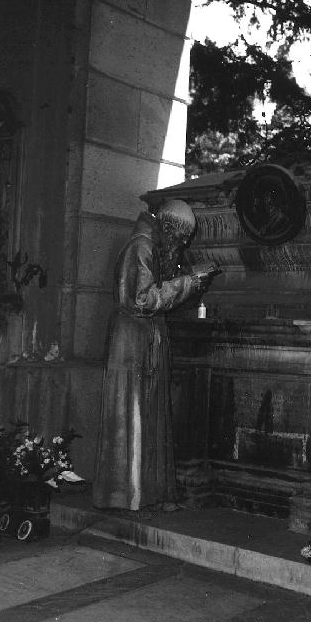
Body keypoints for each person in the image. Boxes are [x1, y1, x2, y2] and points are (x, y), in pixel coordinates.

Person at [92, 200, 212, 511]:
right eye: (183, 237)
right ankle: (127, 494)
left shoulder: (154, 248)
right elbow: (142, 299)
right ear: (170, 229)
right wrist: (190, 281)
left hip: (146, 338)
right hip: (131, 341)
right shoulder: (141, 247)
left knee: (148, 414)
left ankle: (145, 492)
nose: (184, 244)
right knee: (133, 412)